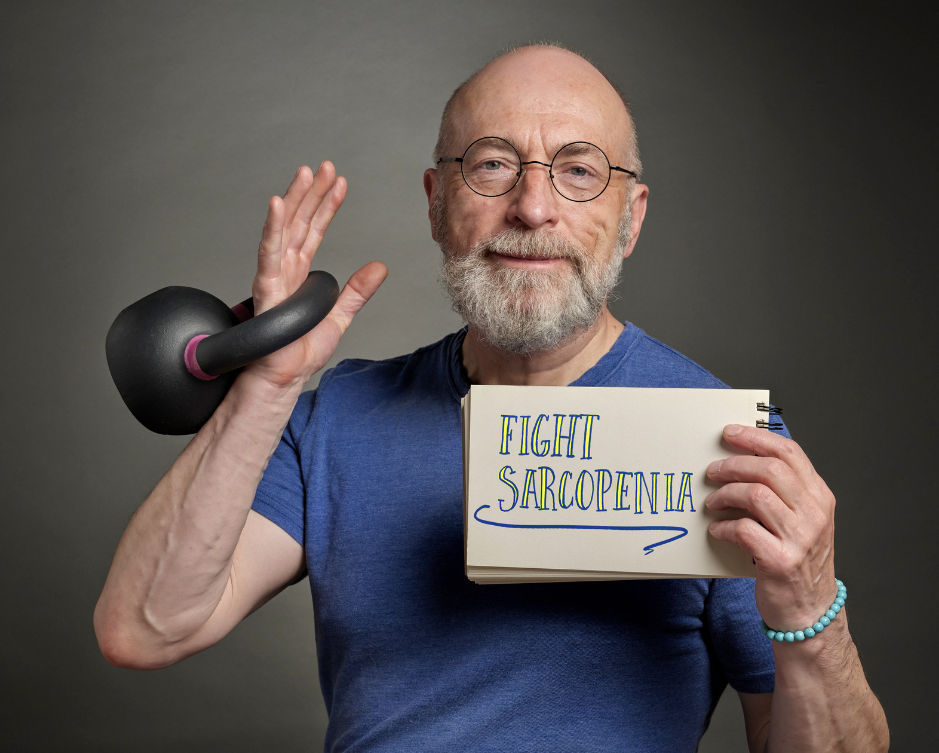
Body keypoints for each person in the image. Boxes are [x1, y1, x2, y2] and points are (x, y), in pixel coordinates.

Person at [94, 45, 889, 751]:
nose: (533, 208)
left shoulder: (724, 443)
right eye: (492, 165)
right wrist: (264, 390)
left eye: (578, 170)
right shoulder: (338, 416)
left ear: (630, 219)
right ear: (437, 202)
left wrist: (811, 607)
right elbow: (146, 627)